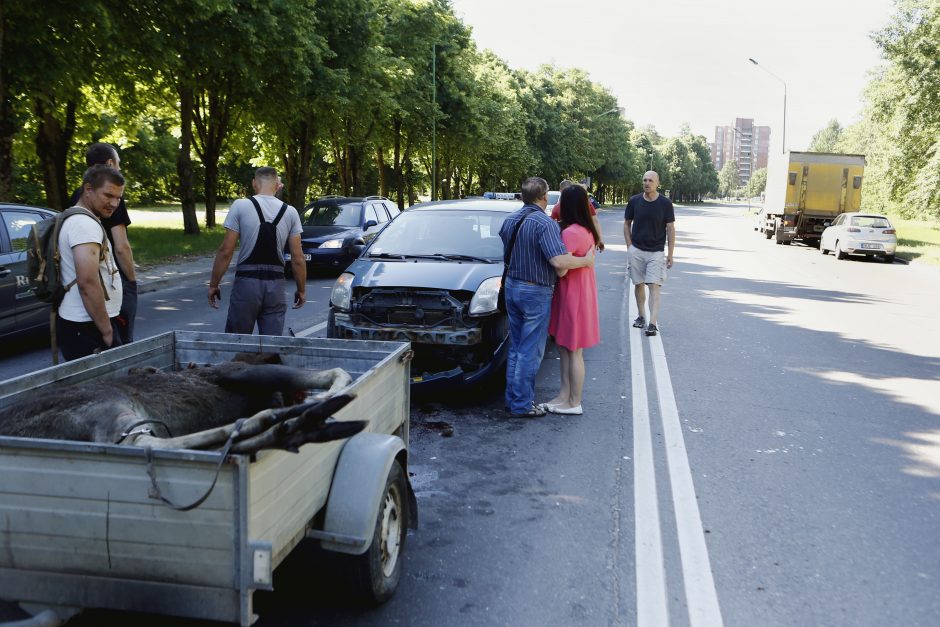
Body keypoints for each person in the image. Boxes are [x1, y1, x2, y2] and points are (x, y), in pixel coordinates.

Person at [499, 176, 595, 418]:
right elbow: (559, 262)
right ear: (544, 197)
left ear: (522, 196)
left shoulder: (509, 221)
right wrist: (586, 260)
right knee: (530, 350)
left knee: (516, 347)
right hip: (535, 290)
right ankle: (522, 404)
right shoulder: (545, 224)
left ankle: (512, 399)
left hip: (511, 286)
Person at [208, 167, 306, 335]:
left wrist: (214, 285)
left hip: (247, 284)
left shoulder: (240, 206)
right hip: (276, 286)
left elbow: (226, 251)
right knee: (270, 347)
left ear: (254, 183)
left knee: (238, 341)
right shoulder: (290, 212)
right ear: (277, 185)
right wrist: (301, 290)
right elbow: (298, 258)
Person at [69, 143, 138, 343]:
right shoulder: (113, 198)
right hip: (110, 279)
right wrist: (132, 282)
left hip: (81, 276)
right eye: (118, 163)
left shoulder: (79, 195)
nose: (113, 201)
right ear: (110, 163)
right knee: (121, 341)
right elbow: (121, 246)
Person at [543, 185, 601, 415]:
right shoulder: (586, 230)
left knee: (572, 350)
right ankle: (564, 396)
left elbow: (561, 271)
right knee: (567, 349)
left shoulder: (570, 232)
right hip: (579, 294)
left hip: (572, 296)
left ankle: (573, 401)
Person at [57, 165, 125, 361]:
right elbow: (87, 282)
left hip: (83, 322)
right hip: (87, 326)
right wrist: (107, 330)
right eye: (108, 195)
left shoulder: (75, 217)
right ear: (88, 190)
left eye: (118, 198)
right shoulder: (84, 225)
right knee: (107, 389)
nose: (114, 203)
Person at [623, 170, 675, 337]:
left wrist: (670, 253)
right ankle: (641, 316)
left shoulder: (665, 203)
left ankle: (652, 323)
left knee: (654, 285)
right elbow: (627, 224)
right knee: (638, 284)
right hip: (637, 249)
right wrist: (630, 246)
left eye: (650, 180)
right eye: (645, 180)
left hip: (656, 252)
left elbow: (670, 229)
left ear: (657, 183)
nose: (647, 183)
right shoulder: (634, 201)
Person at [551, 179, 604, 250]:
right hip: (586, 238)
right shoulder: (587, 204)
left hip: (565, 241)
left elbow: (551, 226)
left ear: (560, 191)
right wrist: (599, 239)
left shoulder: (557, 207)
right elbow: (595, 221)